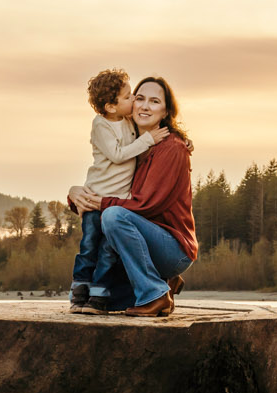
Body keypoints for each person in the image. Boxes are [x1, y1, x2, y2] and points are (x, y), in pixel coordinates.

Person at [66, 76, 196, 318]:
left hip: (173, 247)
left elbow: (146, 204)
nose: (145, 106)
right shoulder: (133, 139)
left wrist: (103, 203)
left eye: (155, 101)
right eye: (139, 98)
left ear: (166, 110)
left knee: (113, 216)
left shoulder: (172, 148)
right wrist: (75, 194)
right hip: (140, 241)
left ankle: (155, 293)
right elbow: (108, 178)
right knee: (106, 299)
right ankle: (165, 283)